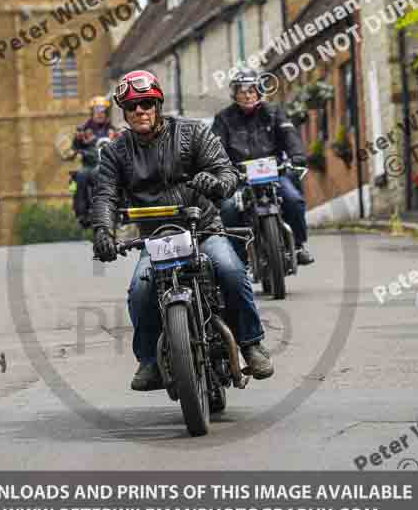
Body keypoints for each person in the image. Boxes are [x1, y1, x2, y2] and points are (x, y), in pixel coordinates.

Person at [91, 69, 274, 391]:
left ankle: (251, 343)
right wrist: (103, 231)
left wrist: (215, 184)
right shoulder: (115, 152)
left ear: (158, 104)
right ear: (124, 111)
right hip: (156, 238)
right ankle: (149, 360)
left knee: (231, 270)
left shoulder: (192, 133)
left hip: (202, 229)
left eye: (146, 103)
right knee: (140, 291)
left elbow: (225, 171)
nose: (140, 111)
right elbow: (105, 195)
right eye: (131, 106)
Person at [211, 68, 314, 266]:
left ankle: (298, 246)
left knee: (293, 200)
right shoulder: (223, 118)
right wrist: (217, 167)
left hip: (274, 173)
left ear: (258, 92)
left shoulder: (273, 112)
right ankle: (239, 257)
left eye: (251, 90)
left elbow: (289, 134)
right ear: (235, 95)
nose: (247, 95)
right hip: (240, 178)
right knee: (229, 208)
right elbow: (215, 147)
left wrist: (297, 155)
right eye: (242, 91)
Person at [70, 97, 117, 226]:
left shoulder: (112, 130)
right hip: (89, 165)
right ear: (92, 112)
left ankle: (115, 207)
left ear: (107, 112)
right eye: (97, 110)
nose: (100, 113)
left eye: (103, 110)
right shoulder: (84, 130)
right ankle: (81, 212)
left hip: (107, 166)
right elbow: (73, 148)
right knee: (79, 177)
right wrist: (76, 149)